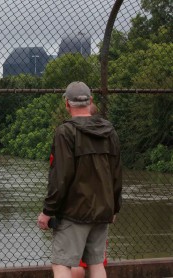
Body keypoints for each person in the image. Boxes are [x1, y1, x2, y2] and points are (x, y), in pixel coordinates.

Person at [37, 81, 122, 278]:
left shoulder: (65, 132)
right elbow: (116, 174)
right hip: (103, 209)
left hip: (73, 212)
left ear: (67, 104)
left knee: (61, 265)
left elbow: (61, 177)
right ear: (90, 100)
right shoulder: (109, 131)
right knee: (96, 263)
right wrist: (114, 207)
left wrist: (47, 211)